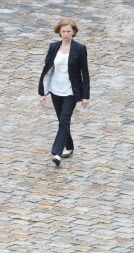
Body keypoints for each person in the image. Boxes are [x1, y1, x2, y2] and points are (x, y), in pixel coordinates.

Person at [38, 18, 90, 166]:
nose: (66, 34)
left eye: (69, 31)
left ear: (73, 32)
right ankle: (70, 146)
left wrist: (85, 96)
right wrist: (42, 92)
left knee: (64, 121)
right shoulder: (53, 47)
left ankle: (57, 153)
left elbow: (85, 74)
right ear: (59, 32)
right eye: (63, 31)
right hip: (55, 90)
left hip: (71, 92)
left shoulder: (80, 49)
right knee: (62, 121)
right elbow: (46, 71)